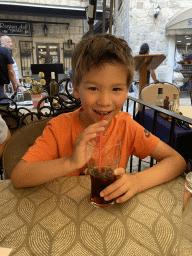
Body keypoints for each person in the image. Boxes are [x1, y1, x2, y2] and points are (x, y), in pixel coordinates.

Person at [11, 34, 186, 205]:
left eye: (116, 89)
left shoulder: (127, 126)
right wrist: (71, 162)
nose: (104, 101)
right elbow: (19, 177)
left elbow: (177, 161)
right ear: (77, 89)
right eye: (93, 88)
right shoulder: (59, 127)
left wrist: (136, 182)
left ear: (127, 92)